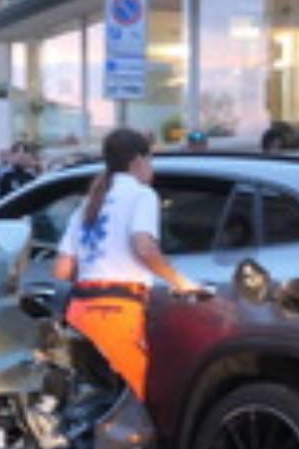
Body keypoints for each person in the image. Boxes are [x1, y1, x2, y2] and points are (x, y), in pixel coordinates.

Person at [53, 128, 208, 401]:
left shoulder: (89, 203)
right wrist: (182, 283)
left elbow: (62, 270)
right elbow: (144, 247)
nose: (151, 168)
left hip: (79, 312)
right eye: (150, 160)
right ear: (138, 160)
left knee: (91, 401)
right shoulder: (141, 195)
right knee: (131, 405)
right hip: (117, 311)